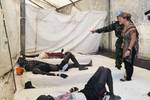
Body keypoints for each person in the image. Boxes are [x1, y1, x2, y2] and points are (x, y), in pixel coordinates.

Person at [36, 66, 121, 100]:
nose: (50, 96)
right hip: (90, 96)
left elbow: (67, 96)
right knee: (106, 71)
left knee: (101, 69)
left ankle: (111, 94)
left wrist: (71, 90)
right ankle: (111, 95)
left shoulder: (56, 98)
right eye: (48, 98)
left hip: (84, 91)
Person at [17, 52, 91, 74]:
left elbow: (30, 60)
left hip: (59, 67)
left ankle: (87, 65)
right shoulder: (35, 68)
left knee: (73, 65)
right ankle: (80, 67)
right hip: (60, 68)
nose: (31, 62)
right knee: (69, 54)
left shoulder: (35, 64)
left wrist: (23, 58)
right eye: (29, 64)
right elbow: (37, 71)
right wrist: (48, 74)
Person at [117, 12, 139, 81]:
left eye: (120, 18)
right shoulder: (125, 25)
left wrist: (129, 50)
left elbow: (133, 39)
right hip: (126, 46)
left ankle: (128, 77)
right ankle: (127, 74)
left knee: (129, 62)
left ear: (125, 18)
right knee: (126, 61)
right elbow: (125, 37)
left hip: (131, 47)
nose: (118, 20)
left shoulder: (131, 27)